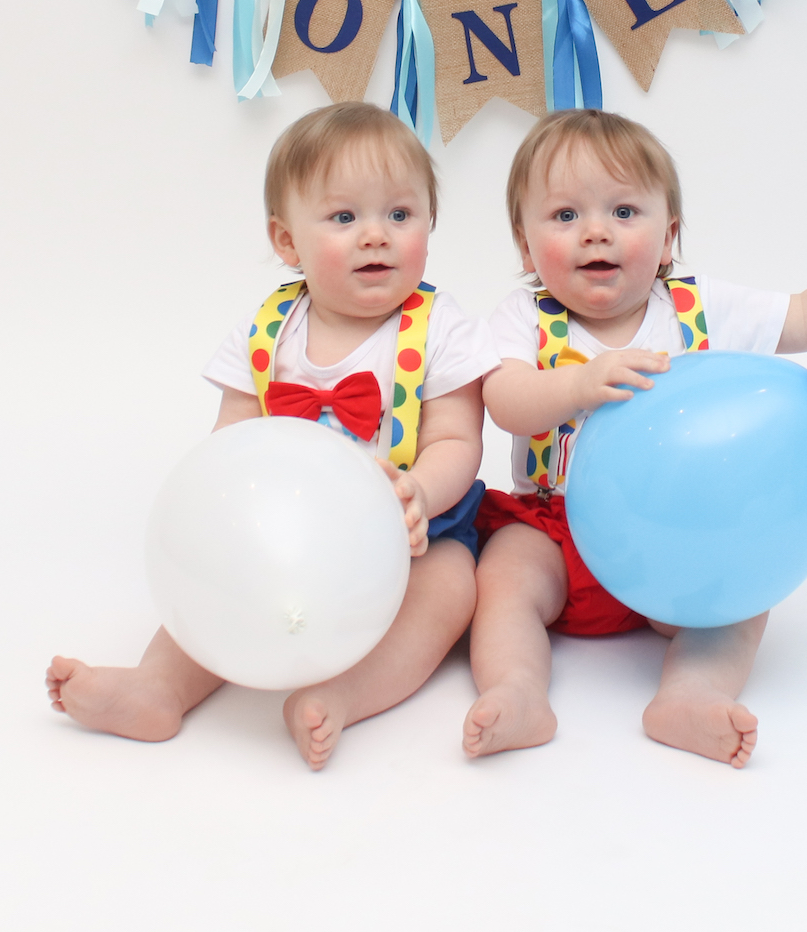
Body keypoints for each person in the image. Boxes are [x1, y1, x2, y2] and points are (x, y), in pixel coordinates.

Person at [463, 109, 807, 767]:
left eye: (625, 211)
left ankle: (691, 691)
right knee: (502, 579)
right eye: (565, 215)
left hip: (678, 541)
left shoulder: (695, 304)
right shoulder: (524, 316)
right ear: (524, 245)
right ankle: (516, 687)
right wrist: (579, 384)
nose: (595, 231)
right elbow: (506, 400)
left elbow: (803, 315)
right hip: (557, 525)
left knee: (746, 598)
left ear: (669, 238)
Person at [48, 102, 496, 770]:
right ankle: (158, 686)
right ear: (287, 241)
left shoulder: (442, 326)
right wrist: (221, 516)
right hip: (285, 532)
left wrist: (419, 492)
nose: (376, 235)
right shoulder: (268, 329)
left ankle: (342, 693)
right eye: (345, 217)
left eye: (400, 215)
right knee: (214, 585)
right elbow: (231, 434)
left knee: (455, 587)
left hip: (412, 533)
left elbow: (460, 438)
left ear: (429, 224)